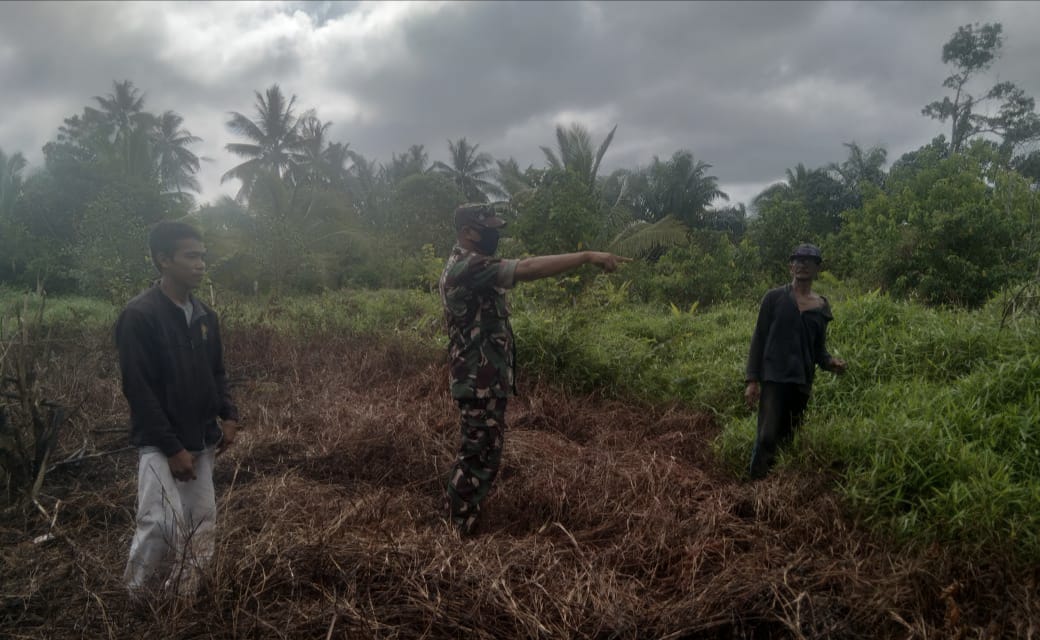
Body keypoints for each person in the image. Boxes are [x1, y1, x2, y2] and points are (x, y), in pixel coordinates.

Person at [439, 203, 630, 535]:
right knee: (476, 456)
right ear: (468, 231)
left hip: (482, 380)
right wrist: (586, 256)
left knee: (483, 454)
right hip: (477, 381)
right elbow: (527, 268)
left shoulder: (470, 265)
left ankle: (465, 520)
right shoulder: (467, 267)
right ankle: (457, 531)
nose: (494, 234)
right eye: (488, 228)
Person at [115, 221, 240, 598]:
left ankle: (185, 596)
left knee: (203, 520)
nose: (201, 264)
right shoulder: (139, 316)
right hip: (159, 441)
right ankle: (139, 599)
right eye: (191, 256)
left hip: (201, 436)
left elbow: (215, 372)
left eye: (202, 256)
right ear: (163, 259)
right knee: (158, 521)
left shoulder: (204, 316)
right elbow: (138, 389)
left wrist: (230, 414)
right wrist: (171, 448)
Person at [744, 243, 847, 479]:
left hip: (801, 382)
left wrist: (831, 362)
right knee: (766, 436)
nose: (802, 265)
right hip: (774, 379)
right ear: (791, 267)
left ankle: (779, 488)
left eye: (808, 261)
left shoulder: (821, 306)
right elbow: (758, 338)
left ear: (816, 268)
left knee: (788, 437)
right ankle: (755, 488)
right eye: (798, 261)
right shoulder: (773, 298)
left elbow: (818, 350)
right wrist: (752, 380)